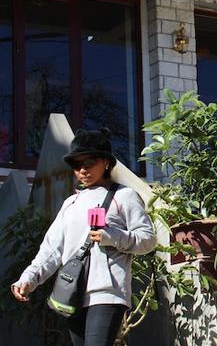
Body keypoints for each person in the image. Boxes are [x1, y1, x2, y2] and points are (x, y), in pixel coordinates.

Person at [11, 128, 156, 346]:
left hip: (107, 293)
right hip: (73, 294)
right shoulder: (71, 203)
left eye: (89, 163)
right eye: (76, 165)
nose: (82, 170)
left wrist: (112, 236)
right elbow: (52, 249)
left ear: (106, 162)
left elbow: (148, 240)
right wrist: (28, 279)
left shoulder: (124, 196)